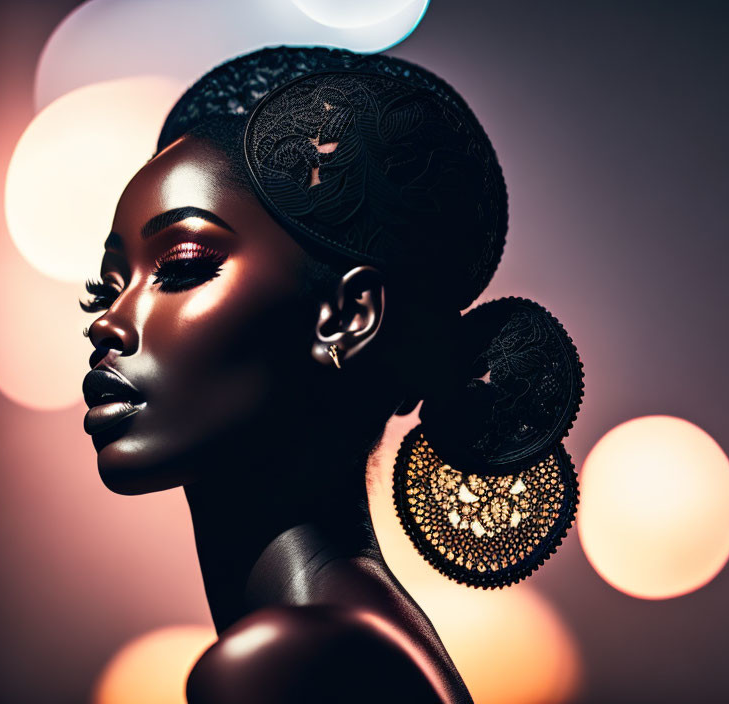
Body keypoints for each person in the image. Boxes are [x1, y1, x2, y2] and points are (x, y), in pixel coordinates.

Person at [80, 47, 583, 703]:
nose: (108, 323)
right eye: (105, 289)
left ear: (346, 316)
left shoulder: (288, 664)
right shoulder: (363, 642)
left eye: (180, 265)